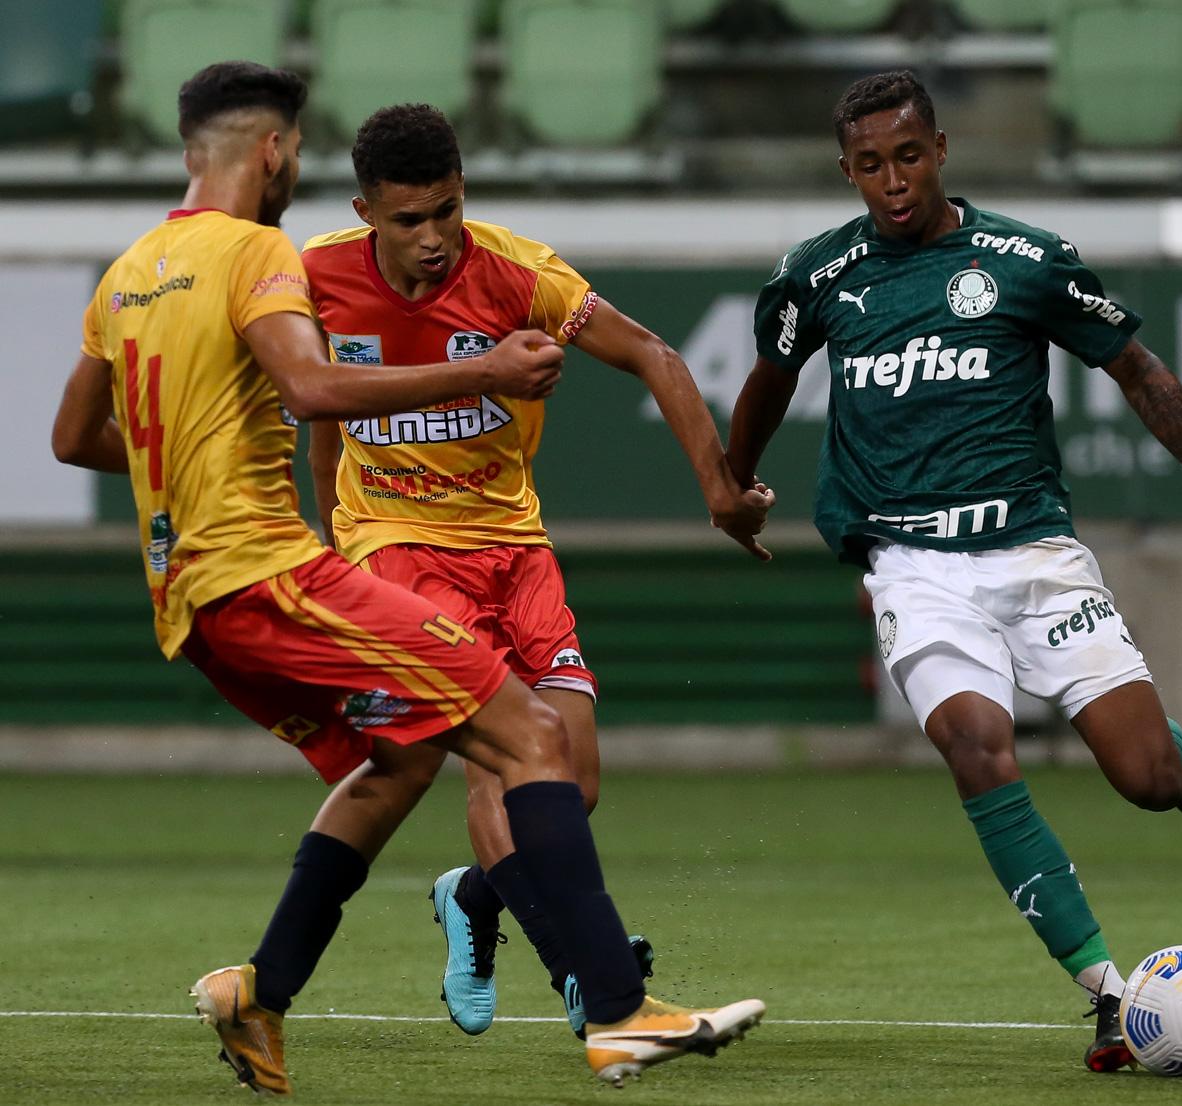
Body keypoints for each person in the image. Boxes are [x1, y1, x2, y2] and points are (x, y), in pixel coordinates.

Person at [50, 61, 764, 1096]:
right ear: (276, 153)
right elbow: (311, 388)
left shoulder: (127, 271)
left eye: (448, 210)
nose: (432, 235)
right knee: (527, 738)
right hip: (290, 566)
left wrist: (186, 461)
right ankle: (612, 1005)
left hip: (198, 598)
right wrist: (482, 372)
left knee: (403, 769)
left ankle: (263, 990)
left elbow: (75, 436)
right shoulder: (265, 253)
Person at [727, 70, 1182, 1073]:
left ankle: (1178, 751)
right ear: (846, 169)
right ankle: (1110, 993)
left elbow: (1140, 372)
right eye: (868, 165)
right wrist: (734, 482)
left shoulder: (1025, 260)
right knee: (976, 745)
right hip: (912, 564)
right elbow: (769, 382)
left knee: (1147, 779)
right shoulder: (817, 277)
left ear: (940, 150)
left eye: (907, 156)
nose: (891, 181)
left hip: (1033, 554)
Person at [300, 102, 772, 1039]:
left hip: (514, 549)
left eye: (446, 211)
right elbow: (318, 417)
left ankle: (473, 899)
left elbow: (654, 353)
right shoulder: (310, 278)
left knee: (571, 783)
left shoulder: (518, 272)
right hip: (395, 545)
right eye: (407, 221)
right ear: (365, 213)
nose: (433, 239)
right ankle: (596, 990)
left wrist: (719, 488)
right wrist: (330, 546)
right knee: (500, 770)